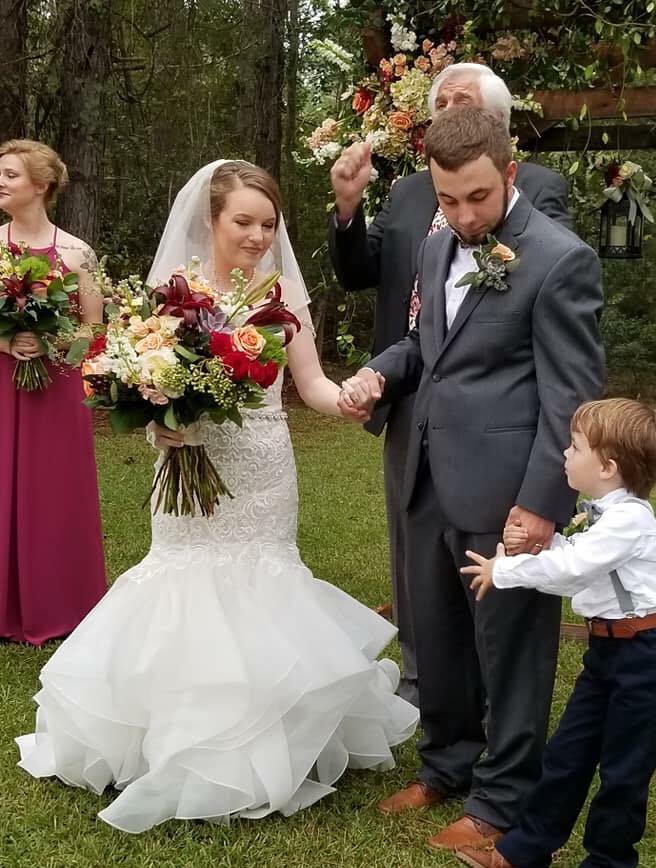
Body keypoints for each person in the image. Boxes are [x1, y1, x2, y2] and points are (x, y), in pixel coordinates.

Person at [16, 160, 418, 833]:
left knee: (265, 583)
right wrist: (160, 424)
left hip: (262, 466)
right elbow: (136, 378)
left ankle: (266, 740)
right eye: (244, 222)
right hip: (188, 463)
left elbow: (311, 384)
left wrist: (350, 397)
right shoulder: (172, 294)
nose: (258, 236)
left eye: (269, 224)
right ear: (212, 219)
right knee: (181, 584)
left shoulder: (282, 292)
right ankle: (177, 739)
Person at [338, 107, 605, 851]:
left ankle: (503, 799)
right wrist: (378, 373)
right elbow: (425, 346)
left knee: (510, 649)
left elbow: (571, 397)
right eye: (448, 199)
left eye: (479, 197)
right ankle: (447, 764)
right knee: (435, 634)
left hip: (505, 492)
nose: (463, 216)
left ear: (510, 174)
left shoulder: (560, 260)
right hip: (425, 473)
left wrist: (543, 504)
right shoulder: (435, 248)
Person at [328, 63, 572, 706]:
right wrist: (347, 209)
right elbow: (372, 281)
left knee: (496, 594)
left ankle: (497, 733)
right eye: (442, 102)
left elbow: (549, 311)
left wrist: (545, 496)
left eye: (464, 101)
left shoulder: (541, 205)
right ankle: (429, 699)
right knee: (422, 572)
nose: (461, 215)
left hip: (498, 434)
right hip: (414, 409)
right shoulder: (414, 201)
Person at [456, 398, 656, 868]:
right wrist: (536, 547)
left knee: (624, 771)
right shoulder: (604, 519)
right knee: (566, 755)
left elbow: (574, 569)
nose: (565, 453)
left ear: (607, 467)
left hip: (644, 658)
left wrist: (503, 570)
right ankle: (524, 853)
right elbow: (574, 564)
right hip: (606, 653)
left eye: (575, 447)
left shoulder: (630, 520)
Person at [0, 139, 106, 646]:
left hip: (58, 387)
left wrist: (49, 342)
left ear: (41, 185)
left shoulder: (78, 253)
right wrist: (5, 340)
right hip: (2, 380)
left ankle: (61, 601)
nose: (0, 183)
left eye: (10, 175)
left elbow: (94, 330)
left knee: (53, 490)